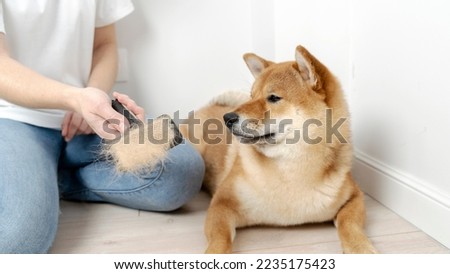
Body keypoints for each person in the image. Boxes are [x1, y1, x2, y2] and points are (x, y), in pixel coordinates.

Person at [0, 0, 204, 253]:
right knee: (15, 242)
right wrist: (76, 98)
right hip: (13, 119)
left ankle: (51, 181)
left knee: (183, 171)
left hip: (87, 117)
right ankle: (39, 182)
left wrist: (95, 93)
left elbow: (104, 45)